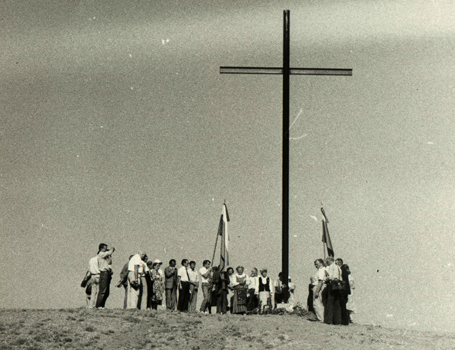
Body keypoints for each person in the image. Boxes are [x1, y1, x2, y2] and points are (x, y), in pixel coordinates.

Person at [95, 244, 115, 309]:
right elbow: (110, 252)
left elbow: (109, 262)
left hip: (107, 273)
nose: (106, 250)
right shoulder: (101, 254)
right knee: (103, 290)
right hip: (104, 273)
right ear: (101, 249)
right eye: (105, 248)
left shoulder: (105, 256)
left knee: (106, 291)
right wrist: (111, 249)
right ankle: (99, 305)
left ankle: (102, 305)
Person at [324, 257, 342, 325]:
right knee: (337, 302)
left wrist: (326, 279)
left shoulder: (331, 267)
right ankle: (337, 320)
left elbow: (331, 277)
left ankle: (329, 320)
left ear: (329, 261)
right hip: (338, 284)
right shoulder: (338, 267)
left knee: (330, 301)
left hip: (332, 284)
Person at [336, 258, 351, 326]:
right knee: (343, 304)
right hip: (346, 290)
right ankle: (345, 320)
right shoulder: (344, 269)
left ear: (339, 263)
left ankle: (344, 321)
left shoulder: (342, 269)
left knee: (342, 305)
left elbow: (343, 279)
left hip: (343, 289)